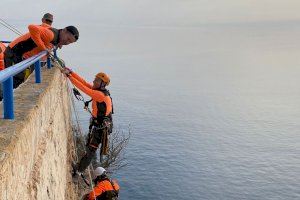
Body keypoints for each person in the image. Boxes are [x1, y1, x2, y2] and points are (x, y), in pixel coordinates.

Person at [61, 68, 113, 174]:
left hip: (101, 128)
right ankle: (79, 168)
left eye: (96, 80)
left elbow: (84, 89)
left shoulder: (100, 95)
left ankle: (79, 170)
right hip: (100, 125)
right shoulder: (99, 91)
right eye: (95, 79)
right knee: (90, 148)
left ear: (102, 84)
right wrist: (71, 73)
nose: (94, 81)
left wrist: (69, 76)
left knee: (91, 150)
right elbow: (84, 83)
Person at [4, 24, 79, 88]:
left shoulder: (57, 37)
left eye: (70, 42)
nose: (67, 42)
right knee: (15, 78)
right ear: (64, 30)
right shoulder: (51, 34)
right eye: (68, 39)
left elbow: (44, 26)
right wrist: (44, 48)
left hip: (20, 54)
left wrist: (58, 43)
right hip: (13, 52)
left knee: (18, 78)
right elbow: (32, 27)